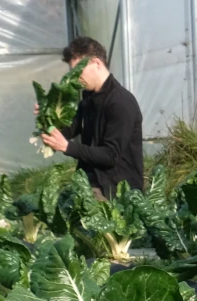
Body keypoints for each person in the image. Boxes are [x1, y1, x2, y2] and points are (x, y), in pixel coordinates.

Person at [40, 36, 144, 201]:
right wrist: (47, 117)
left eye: (78, 70)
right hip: (90, 181)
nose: (75, 77)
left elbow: (111, 155)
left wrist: (68, 147)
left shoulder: (120, 103)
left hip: (116, 191)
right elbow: (69, 129)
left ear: (96, 63)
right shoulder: (88, 97)